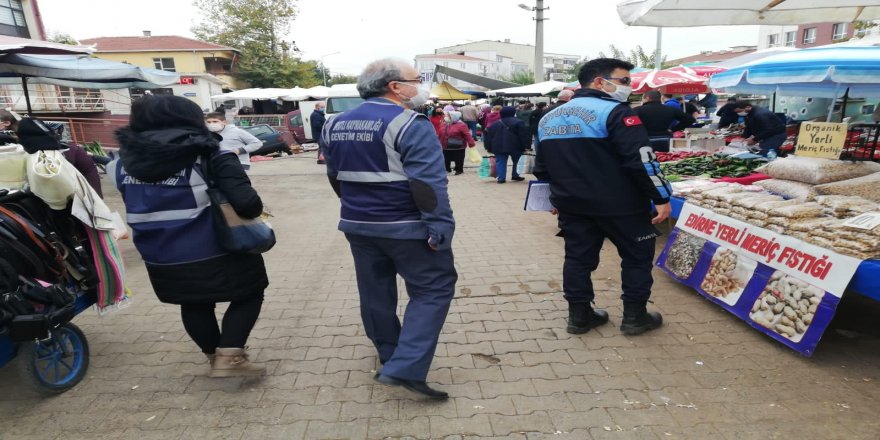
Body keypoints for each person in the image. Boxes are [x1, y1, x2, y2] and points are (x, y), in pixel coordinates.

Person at [320, 58, 457, 400]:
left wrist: (357, 208)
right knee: (434, 288)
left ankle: (390, 355)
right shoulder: (411, 123)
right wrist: (440, 227)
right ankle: (405, 368)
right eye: (416, 79)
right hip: (406, 227)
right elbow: (427, 186)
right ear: (395, 86)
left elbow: (335, 177)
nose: (420, 85)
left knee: (375, 291)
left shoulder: (333, 124)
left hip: (358, 225)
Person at [110, 95, 268, 377]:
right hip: (215, 248)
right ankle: (230, 356)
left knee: (193, 302)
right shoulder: (212, 156)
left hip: (159, 254)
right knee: (250, 293)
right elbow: (248, 204)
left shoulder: (119, 164)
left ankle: (213, 356)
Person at [534, 58, 671, 337]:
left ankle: (579, 316)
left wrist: (552, 199)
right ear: (599, 81)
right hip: (622, 206)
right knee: (636, 259)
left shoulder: (549, 118)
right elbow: (641, 161)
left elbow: (542, 168)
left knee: (577, 260)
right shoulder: (617, 113)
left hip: (572, 205)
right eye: (624, 81)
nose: (629, 87)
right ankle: (635, 317)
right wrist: (661, 196)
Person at [484, 106, 529, 183]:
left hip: (498, 146)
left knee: (500, 162)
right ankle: (515, 175)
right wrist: (526, 146)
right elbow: (523, 135)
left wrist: (488, 147)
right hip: (515, 146)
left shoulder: (494, 124)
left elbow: (489, 137)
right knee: (516, 161)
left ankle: (501, 178)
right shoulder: (519, 122)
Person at [438, 110, 476, 175]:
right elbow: (440, 134)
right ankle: (447, 169)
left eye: (449, 116)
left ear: (454, 117)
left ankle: (459, 170)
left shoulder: (461, 125)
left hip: (458, 146)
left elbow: (467, 134)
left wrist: (471, 143)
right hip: (445, 145)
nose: (446, 117)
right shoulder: (444, 124)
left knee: (459, 159)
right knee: (446, 158)